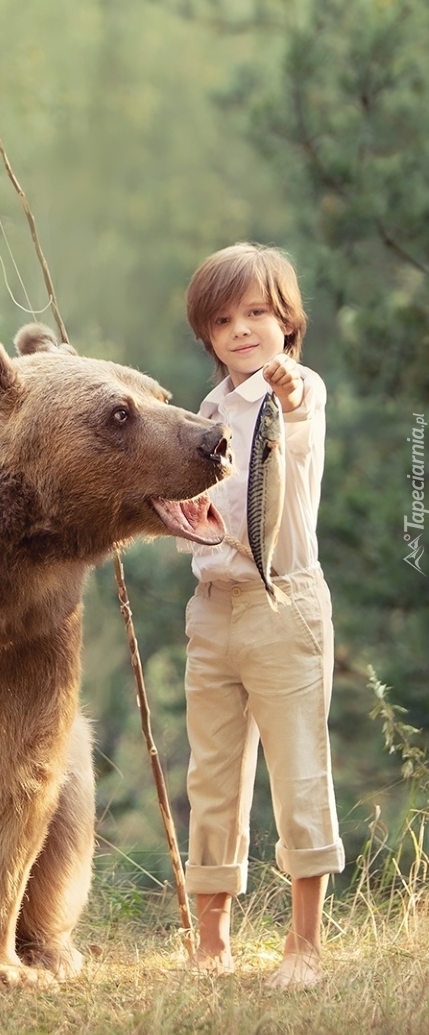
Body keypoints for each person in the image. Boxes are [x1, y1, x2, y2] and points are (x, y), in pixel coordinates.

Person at [182, 242, 345, 988]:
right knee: (212, 774)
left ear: (287, 321)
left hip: (284, 607)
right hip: (214, 608)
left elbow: (298, 401)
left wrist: (283, 383)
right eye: (223, 319)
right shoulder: (210, 409)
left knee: (298, 772)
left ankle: (303, 948)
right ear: (208, 334)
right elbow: (215, 514)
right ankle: (211, 944)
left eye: (257, 312)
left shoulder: (294, 387)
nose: (241, 329)